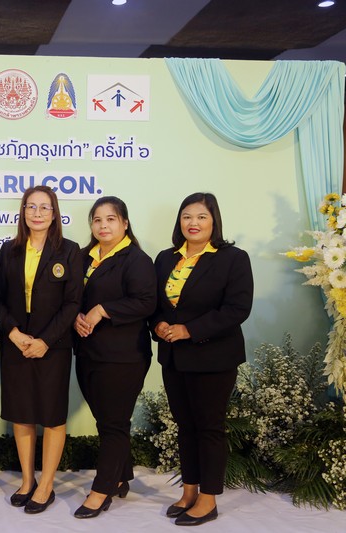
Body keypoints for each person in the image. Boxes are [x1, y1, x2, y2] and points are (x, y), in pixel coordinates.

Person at [151, 192, 253, 526]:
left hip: (213, 358)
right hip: (174, 357)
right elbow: (154, 305)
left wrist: (189, 330)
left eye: (201, 217)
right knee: (185, 426)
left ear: (214, 221)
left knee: (209, 428)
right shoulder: (165, 258)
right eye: (187, 216)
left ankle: (208, 499)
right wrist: (159, 325)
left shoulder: (233, 258)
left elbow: (237, 309)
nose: (193, 223)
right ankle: (189, 491)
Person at [0, 186, 81, 514]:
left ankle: (46, 485)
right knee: (22, 414)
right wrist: (14, 333)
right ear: (23, 212)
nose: (37, 213)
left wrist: (45, 341)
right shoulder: (9, 250)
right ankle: (28, 480)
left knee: (52, 415)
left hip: (53, 348)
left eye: (45, 207)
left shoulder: (69, 251)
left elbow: (73, 302)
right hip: (16, 344)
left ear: (55, 214)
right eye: (31, 207)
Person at [72, 196, 156, 519]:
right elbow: (70, 297)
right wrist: (76, 317)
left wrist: (102, 310)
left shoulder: (136, 259)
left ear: (124, 223)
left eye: (111, 219)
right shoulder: (83, 257)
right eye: (97, 220)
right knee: (107, 421)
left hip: (123, 356)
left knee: (113, 423)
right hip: (88, 352)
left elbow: (146, 302)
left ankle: (101, 490)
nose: (103, 225)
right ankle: (122, 475)